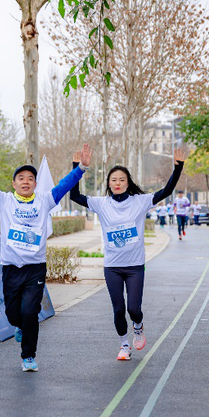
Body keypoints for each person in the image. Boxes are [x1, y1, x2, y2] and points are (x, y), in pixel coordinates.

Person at [0, 139, 89, 372]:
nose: (26, 182)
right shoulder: (4, 201)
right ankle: (21, 326)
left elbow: (63, 185)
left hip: (35, 268)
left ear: (36, 184)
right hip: (11, 267)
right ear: (14, 183)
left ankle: (28, 356)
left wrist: (80, 169)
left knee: (30, 311)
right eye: (21, 178)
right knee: (13, 315)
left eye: (30, 179)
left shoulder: (45, 200)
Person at [70, 148, 185, 361]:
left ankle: (138, 327)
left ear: (127, 182)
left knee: (134, 308)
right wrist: (78, 168)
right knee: (118, 308)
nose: (117, 183)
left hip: (134, 266)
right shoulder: (102, 204)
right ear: (109, 183)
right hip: (112, 266)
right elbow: (74, 195)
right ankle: (124, 345)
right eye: (113, 180)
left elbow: (167, 191)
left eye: (122, 179)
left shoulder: (139, 201)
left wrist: (178, 168)